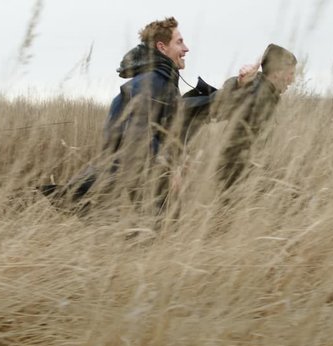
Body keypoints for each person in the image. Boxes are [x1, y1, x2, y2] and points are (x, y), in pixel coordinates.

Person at [42, 17, 218, 214]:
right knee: (155, 234)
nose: (186, 48)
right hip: (138, 178)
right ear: (162, 47)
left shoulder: (161, 80)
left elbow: (165, 124)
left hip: (136, 176)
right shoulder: (153, 81)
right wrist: (167, 166)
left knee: (156, 233)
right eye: (179, 42)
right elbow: (137, 134)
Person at [213, 43, 297, 192]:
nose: (292, 80)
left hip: (242, 179)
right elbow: (223, 107)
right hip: (236, 182)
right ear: (277, 72)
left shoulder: (265, 92)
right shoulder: (258, 95)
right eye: (290, 73)